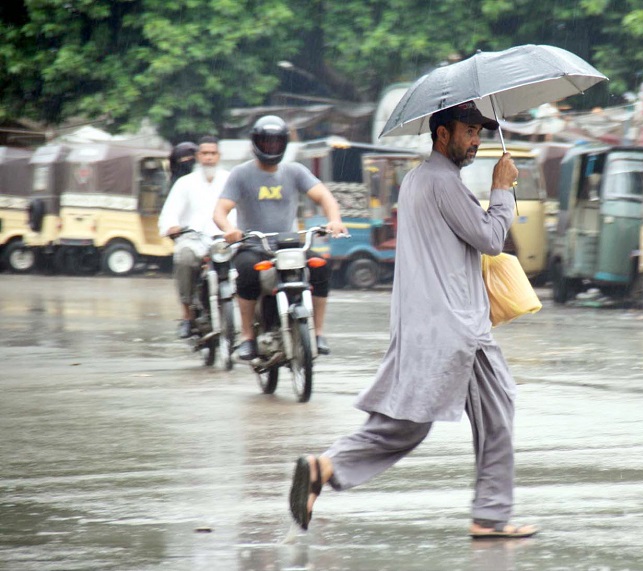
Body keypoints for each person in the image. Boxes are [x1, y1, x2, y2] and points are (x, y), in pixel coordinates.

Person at [287, 101, 538, 540]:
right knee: (493, 413)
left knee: (407, 423)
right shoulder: (444, 183)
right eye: (469, 131)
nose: (477, 139)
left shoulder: (417, 181)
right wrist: (501, 190)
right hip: (457, 328)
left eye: (480, 131)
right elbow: (491, 239)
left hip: (427, 323)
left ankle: (324, 467)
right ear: (443, 135)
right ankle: (490, 516)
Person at [213, 115, 346, 359]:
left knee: (321, 268)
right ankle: (246, 337)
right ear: (256, 143)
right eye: (266, 142)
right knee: (247, 272)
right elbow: (220, 211)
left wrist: (334, 219)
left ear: (283, 144)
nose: (271, 147)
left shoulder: (295, 171)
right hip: (254, 246)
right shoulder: (241, 174)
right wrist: (229, 230)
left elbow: (325, 198)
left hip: (289, 245)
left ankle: (318, 333)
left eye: (276, 143)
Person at [159, 136, 232, 338]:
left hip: (225, 240)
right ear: (198, 156)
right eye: (205, 153)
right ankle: (187, 315)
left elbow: (244, 209)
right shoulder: (185, 183)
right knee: (183, 257)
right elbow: (170, 212)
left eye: (213, 153)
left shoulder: (231, 180)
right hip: (194, 239)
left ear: (219, 156)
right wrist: (171, 226)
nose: (209, 158)